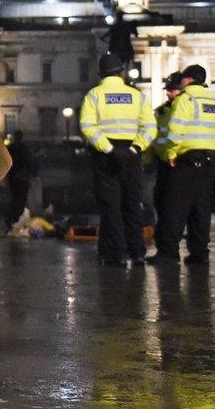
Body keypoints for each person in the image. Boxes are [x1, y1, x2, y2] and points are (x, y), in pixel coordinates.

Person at [79, 53, 156, 266]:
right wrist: (135, 148)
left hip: (106, 156)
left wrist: (109, 148)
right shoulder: (138, 96)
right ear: (121, 73)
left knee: (110, 205)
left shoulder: (94, 95)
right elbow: (150, 128)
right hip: (132, 154)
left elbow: (88, 127)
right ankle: (138, 252)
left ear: (102, 75)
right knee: (132, 203)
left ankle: (118, 253)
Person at [150, 64, 215, 265]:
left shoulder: (185, 99)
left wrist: (170, 154)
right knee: (201, 209)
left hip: (186, 160)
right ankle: (199, 254)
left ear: (187, 80)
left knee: (174, 207)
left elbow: (175, 131)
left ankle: (168, 253)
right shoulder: (213, 99)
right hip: (211, 162)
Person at [148, 72, 183, 232]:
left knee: (176, 202)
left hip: (181, 162)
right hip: (162, 162)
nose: (168, 93)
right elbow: (151, 137)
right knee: (160, 199)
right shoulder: (159, 112)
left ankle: (174, 232)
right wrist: (146, 161)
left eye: (172, 89)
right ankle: (165, 232)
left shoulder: (186, 109)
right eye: (168, 90)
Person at [5, 130, 37, 229]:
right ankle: (17, 219)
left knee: (14, 198)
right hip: (22, 177)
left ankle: (11, 220)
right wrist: (32, 174)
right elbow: (30, 162)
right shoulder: (24, 148)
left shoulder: (10, 148)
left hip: (13, 177)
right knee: (21, 199)